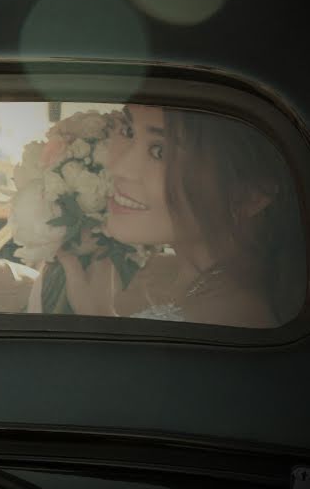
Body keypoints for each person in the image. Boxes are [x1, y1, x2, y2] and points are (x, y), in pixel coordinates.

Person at [29, 105, 304, 327]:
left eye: (160, 151)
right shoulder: (218, 287)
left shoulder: (230, 318)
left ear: (249, 195)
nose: (119, 167)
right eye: (127, 130)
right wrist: (97, 313)